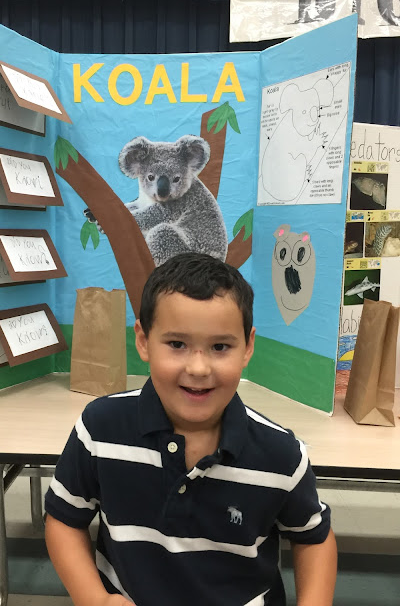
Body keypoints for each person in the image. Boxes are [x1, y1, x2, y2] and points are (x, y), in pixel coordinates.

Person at [45, 252, 337, 606]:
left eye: (220, 346)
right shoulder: (100, 428)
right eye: (177, 344)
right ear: (143, 340)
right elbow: (64, 519)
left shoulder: (282, 455)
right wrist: (95, 599)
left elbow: (313, 537)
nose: (198, 368)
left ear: (248, 347)